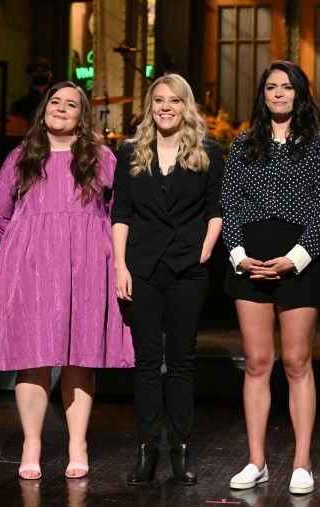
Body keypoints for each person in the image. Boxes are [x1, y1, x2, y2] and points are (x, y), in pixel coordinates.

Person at [0, 81, 134, 480]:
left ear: (82, 118)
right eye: (55, 102)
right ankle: (31, 443)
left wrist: (106, 256)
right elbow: (0, 212)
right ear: (44, 110)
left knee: (79, 357)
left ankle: (76, 443)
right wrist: (25, 248)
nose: (62, 108)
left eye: (71, 104)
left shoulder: (101, 157)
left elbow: (121, 212)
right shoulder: (22, 156)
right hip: (31, 269)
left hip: (86, 266)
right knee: (33, 358)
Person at [221, 60, 320, 495]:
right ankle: (256, 461)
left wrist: (296, 258)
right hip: (250, 258)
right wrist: (238, 255)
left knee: (295, 362)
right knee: (256, 363)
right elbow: (229, 205)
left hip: (300, 259)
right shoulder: (243, 145)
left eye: (286, 87)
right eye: (271, 87)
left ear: (299, 94)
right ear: (263, 94)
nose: (278, 94)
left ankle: (301, 462)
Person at [111, 73, 224, 486]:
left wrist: (206, 249)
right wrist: (120, 266)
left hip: (186, 268)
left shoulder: (208, 151)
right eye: (158, 100)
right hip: (141, 267)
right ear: (150, 105)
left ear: (186, 105)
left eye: (174, 100)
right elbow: (120, 211)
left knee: (179, 363)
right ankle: (147, 450)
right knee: (145, 363)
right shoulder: (130, 152)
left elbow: (216, 208)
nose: (165, 107)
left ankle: (180, 450)